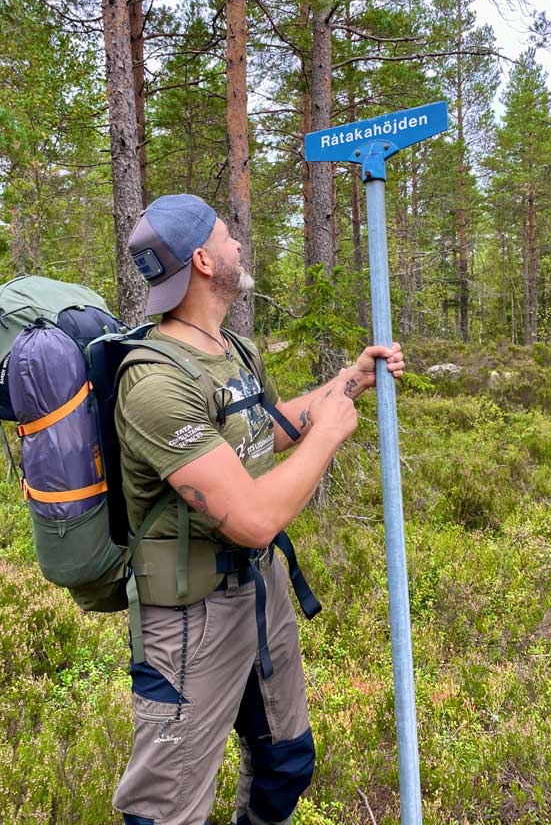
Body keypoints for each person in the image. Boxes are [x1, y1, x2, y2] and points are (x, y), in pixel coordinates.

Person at [113, 193, 404, 825]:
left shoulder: (232, 351)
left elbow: (265, 430)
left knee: (285, 761)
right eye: (226, 233)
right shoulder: (156, 382)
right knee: (166, 811)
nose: (237, 242)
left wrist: (350, 380)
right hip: (190, 617)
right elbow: (251, 517)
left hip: (259, 588)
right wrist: (329, 433)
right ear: (203, 260)